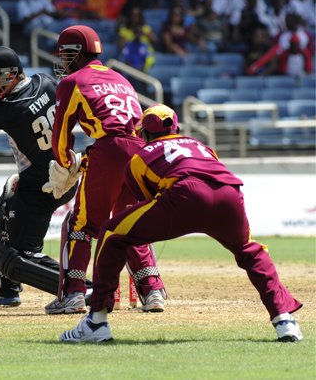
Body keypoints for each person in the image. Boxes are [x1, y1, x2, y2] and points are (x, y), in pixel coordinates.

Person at [59, 104, 303, 343]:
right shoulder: (201, 146)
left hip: (183, 196)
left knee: (113, 234)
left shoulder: (140, 156)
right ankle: (283, 319)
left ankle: (96, 321)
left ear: (143, 133)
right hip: (230, 193)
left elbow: (146, 202)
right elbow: (214, 169)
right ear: (175, 128)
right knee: (250, 252)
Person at [42, 25, 166, 315]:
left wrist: (64, 164)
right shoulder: (122, 79)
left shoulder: (72, 82)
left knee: (81, 224)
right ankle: (152, 291)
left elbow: (61, 133)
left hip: (109, 149)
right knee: (130, 223)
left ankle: (72, 294)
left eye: (64, 55)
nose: (62, 62)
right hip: (140, 151)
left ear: (74, 53)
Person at [0, 46, 77, 306]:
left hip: (41, 185)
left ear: (7, 76)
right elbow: (13, 109)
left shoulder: (10, 109)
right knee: (8, 199)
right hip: (65, 172)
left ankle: (78, 289)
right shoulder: (45, 82)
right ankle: (5, 288)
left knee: (23, 257)